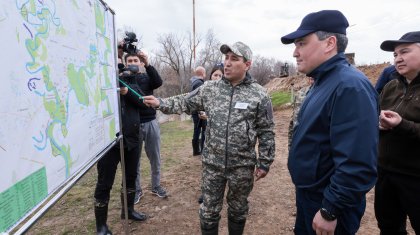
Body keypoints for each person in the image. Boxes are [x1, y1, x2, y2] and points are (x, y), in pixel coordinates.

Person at [142, 41, 275, 235]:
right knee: (209, 211)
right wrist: (160, 102)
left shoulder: (260, 94)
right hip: (213, 164)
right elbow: (184, 101)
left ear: (247, 65)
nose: (227, 63)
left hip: (242, 165)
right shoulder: (210, 89)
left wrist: (264, 162)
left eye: (234, 59)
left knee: (238, 209)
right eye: (226, 58)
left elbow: (266, 130)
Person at [281, 10, 378, 235]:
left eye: (302, 43)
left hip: (328, 203)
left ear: (329, 43)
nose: (295, 52)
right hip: (311, 195)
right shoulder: (324, 82)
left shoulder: (349, 86)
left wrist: (330, 209)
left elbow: (357, 162)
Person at [93, 54, 148, 235]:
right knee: (104, 183)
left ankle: (128, 210)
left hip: (132, 137)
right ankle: (101, 226)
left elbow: (142, 101)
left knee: (130, 177)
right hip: (109, 141)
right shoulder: (100, 79)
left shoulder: (132, 79)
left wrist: (126, 89)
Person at [375, 31, 420, 234]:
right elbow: (377, 117)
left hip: (415, 177)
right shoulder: (391, 86)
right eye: (395, 54)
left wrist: (401, 124)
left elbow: (403, 125)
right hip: (386, 174)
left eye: (404, 51)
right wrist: (378, 124)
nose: (398, 58)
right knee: (389, 228)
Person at [127, 51, 167, 203]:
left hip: (150, 122)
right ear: (125, 63)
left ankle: (156, 186)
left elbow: (158, 82)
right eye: (129, 60)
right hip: (133, 125)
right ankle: (137, 190)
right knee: (134, 161)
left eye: (135, 60)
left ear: (140, 63)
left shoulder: (146, 77)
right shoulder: (124, 79)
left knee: (155, 156)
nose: (132, 62)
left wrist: (148, 63)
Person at [197, 63, 224, 204]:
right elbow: (196, 104)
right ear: (211, 76)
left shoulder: (227, 92)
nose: (218, 78)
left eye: (221, 75)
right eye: (215, 75)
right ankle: (205, 192)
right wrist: (201, 114)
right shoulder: (205, 90)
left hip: (223, 138)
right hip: (207, 132)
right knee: (207, 163)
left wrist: (210, 116)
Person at [287, 77, 314, 149]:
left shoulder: (330, 93)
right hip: (298, 144)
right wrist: (291, 145)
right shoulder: (300, 93)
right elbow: (293, 120)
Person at [190, 66, 207, 156]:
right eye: (205, 73)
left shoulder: (194, 82)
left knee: (197, 130)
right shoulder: (199, 83)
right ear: (202, 73)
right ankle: (199, 150)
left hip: (195, 111)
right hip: (199, 111)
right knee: (201, 130)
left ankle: (197, 150)